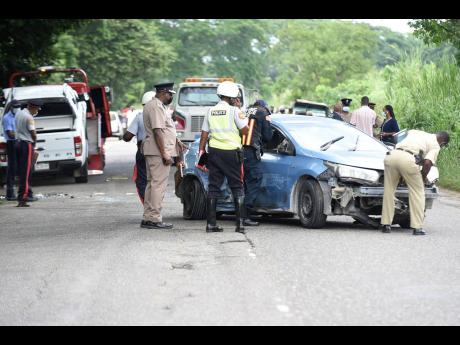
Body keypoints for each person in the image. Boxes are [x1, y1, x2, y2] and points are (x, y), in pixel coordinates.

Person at [199, 81, 249, 234]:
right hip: (231, 153)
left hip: (214, 152)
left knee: (213, 187)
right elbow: (245, 131)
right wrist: (241, 114)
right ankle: (240, 225)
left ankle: (211, 224)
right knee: (237, 186)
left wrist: (201, 150)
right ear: (233, 97)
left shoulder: (210, 111)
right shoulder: (235, 111)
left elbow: (204, 134)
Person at [380, 130, 450, 235]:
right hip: (408, 159)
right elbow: (427, 163)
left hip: (392, 155)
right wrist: (422, 177)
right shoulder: (436, 145)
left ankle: (386, 224)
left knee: (389, 190)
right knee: (418, 192)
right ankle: (417, 227)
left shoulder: (416, 132)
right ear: (443, 143)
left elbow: (399, 137)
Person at [140, 83, 187, 229]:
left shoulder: (156, 106)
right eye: (170, 94)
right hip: (158, 152)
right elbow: (158, 131)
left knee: (152, 184)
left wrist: (177, 141)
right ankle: (154, 218)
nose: (171, 96)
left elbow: (165, 129)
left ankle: (148, 217)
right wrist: (165, 154)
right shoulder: (156, 106)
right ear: (163, 92)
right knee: (158, 185)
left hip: (155, 151)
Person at [242, 99, 274, 226]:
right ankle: (245, 215)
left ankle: (240, 214)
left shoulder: (246, 111)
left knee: (244, 183)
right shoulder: (263, 113)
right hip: (251, 151)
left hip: (239, 150)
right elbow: (268, 136)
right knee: (255, 180)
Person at [123, 91, 155, 204]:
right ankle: (155, 206)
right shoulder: (163, 115)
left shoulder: (139, 117)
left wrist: (126, 132)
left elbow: (127, 137)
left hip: (143, 150)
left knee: (142, 179)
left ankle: (148, 205)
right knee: (156, 180)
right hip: (159, 152)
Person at [14, 100, 42, 207]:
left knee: (22, 171)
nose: (37, 111)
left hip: (18, 143)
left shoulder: (19, 113)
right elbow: (33, 133)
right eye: (36, 109)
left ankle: (23, 196)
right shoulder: (29, 117)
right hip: (26, 144)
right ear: (32, 107)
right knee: (26, 172)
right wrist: (34, 142)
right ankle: (23, 197)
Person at [2, 100, 21, 200]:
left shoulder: (19, 115)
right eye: (16, 106)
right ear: (11, 107)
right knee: (12, 168)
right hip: (11, 143)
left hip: (19, 142)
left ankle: (20, 192)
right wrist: (21, 133)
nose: (18, 108)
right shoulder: (7, 118)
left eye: (19, 106)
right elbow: (10, 134)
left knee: (20, 167)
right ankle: (10, 193)